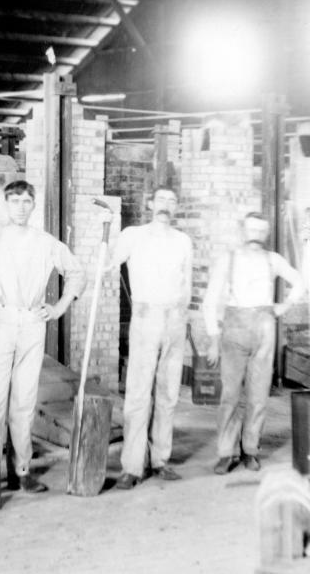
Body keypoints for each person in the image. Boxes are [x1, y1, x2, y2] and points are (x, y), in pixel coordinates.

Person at [0, 180, 85, 493]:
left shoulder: (46, 242)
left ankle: (20, 470)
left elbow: (76, 273)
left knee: (25, 400)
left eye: (26, 201)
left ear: (34, 205)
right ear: (6, 204)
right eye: (14, 201)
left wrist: (59, 307)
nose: (20, 207)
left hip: (32, 321)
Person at [202, 212, 304, 474]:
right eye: (252, 230)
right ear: (243, 231)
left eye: (262, 231)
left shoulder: (273, 260)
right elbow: (210, 299)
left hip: (264, 329)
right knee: (230, 395)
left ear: (266, 233)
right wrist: (213, 337)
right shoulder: (230, 258)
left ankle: (250, 450)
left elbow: (301, 282)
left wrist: (286, 306)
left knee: (258, 395)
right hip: (234, 328)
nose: (256, 235)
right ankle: (226, 452)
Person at [109, 186, 193, 489]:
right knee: (138, 393)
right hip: (146, 318)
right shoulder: (134, 235)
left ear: (177, 207)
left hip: (174, 319)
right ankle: (132, 466)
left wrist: (184, 315)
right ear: (149, 203)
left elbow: (187, 283)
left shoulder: (183, 241)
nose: (166, 205)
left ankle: (160, 459)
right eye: (161, 200)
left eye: (172, 201)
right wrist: (105, 242)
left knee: (169, 394)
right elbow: (110, 261)